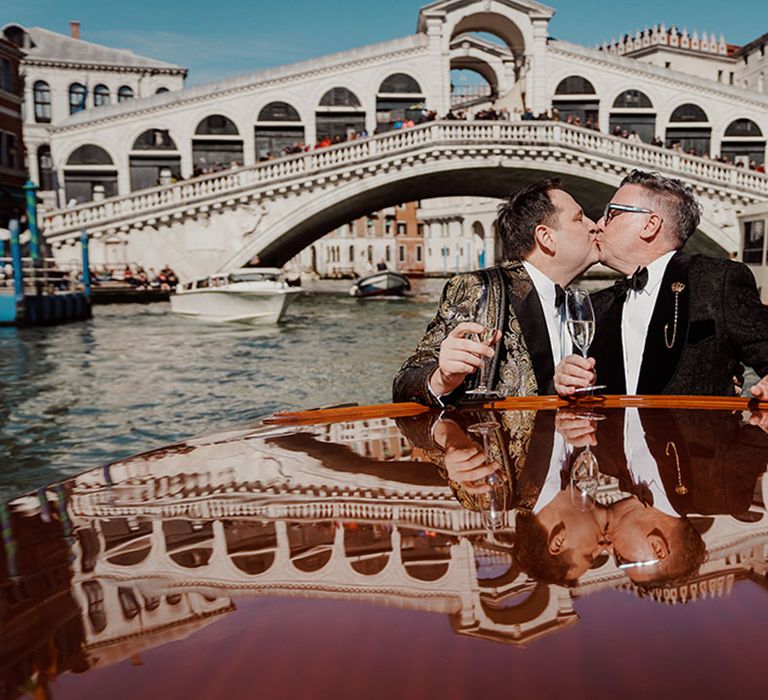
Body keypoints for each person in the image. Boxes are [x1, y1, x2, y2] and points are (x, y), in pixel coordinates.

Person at [554, 169, 768, 398]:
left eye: (611, 214)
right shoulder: (597, 305)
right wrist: (567, 380)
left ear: (650, 224)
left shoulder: (718, 280)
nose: (598, 224)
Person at [393, 179, 599, 405]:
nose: (594, 225)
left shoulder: (581, 304)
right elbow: (404, 384)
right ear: (546, 237)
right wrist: (441, 379)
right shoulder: (479, 288)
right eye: (579, 218)